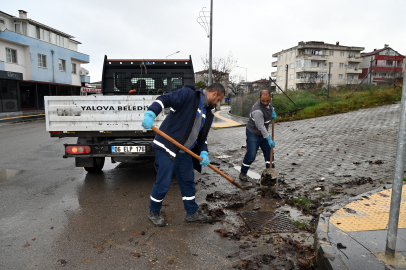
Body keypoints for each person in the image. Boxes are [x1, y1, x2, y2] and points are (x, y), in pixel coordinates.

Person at [141, 83, 225, 226]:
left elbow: (202, 138)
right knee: (163, 183)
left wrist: (203, 152)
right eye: (218, 100)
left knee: (188, 182)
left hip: (185, 152)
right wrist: (151, 114)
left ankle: (192, 212)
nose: (217, 103)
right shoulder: (189, 94)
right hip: (167, 148)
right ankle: (153, 212)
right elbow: (164, 99)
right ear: (214, 94)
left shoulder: (208, 112)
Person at [239, 90, 277, 182]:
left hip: (263, 132)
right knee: (251, 155)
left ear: (270, 97)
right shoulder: (257, 110)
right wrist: (268, 138)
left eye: (267, 100)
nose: (265, 103)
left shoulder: (269, 101)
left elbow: (270, 106)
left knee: (269, 154)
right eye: (263, 101)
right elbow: (260, 126)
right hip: (253, 133)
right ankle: (243, 173)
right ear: (259, 98)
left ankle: (270, 174)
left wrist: (273, 112)